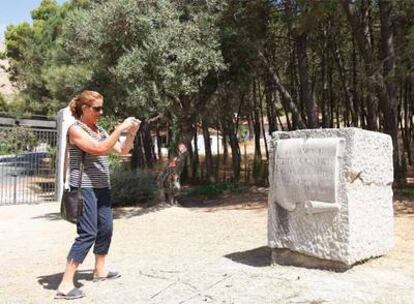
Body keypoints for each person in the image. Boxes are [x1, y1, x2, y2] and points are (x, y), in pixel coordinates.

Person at [55, 90, 141, 300]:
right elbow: (100, 148)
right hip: (84, 189)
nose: (100, 112)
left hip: (102, 189)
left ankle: (99, 270)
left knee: (106, 228)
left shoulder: (99, 129)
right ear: (84, 109)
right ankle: (65, 284)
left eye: (102, 108)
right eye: (96, 108)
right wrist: (119, 127)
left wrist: (131, 133)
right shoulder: (75, 130)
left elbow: (122, 151)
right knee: (87, 233)